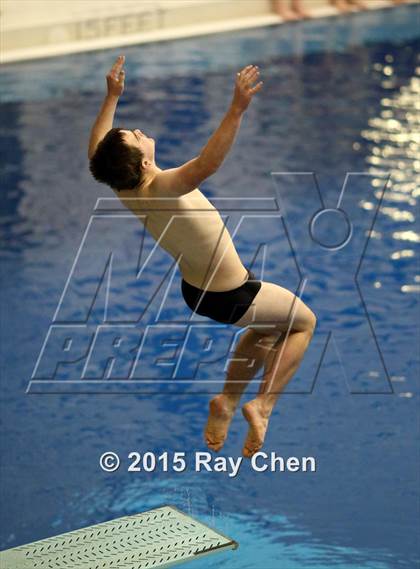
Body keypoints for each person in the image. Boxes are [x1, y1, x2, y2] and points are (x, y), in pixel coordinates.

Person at [88, 56, 317, 458]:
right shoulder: (161, 186)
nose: (141, 132)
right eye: (136, 136)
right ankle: (261, 407)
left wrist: (111, 98)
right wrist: (236, 109)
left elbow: (97, 154)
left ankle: (226, 402)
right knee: (303, 323)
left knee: (265, 330)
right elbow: (207, 163)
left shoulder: (124, 189)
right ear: (143, 161)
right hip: (230, 292)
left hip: (198, 291)